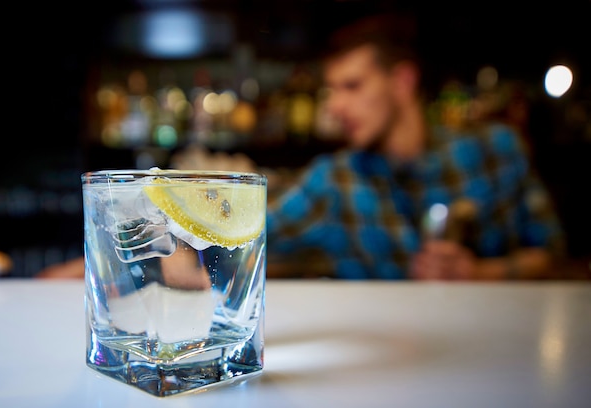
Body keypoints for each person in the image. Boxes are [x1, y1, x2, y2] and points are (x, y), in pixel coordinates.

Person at [37, 13, 565, 281]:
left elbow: (556, 253)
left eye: (352, 87)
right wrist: (96, 265)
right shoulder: (335, 181)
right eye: (331, 90)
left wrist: (482, 273)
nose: (335, 107)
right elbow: (216, 250)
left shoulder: (495, 149)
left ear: (403, 81)